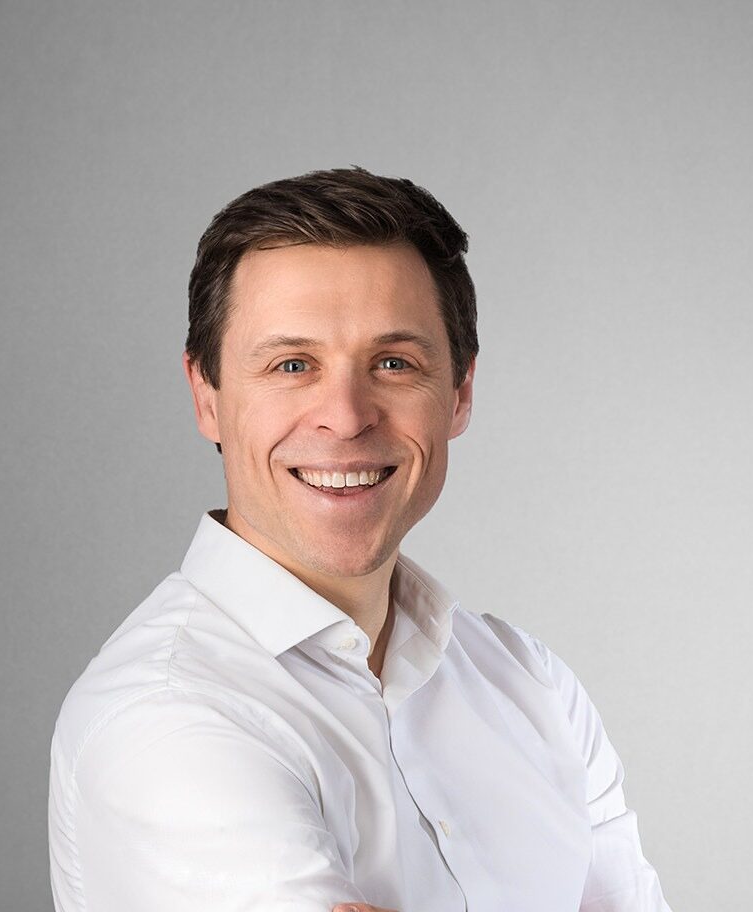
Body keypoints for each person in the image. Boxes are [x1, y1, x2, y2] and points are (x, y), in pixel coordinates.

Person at [48, 167, 672, 912]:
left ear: (459, 393)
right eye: (291, 365)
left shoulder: (531, 686)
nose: (345, 416)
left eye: (393, 364)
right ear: (206, 396)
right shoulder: (164, 718)